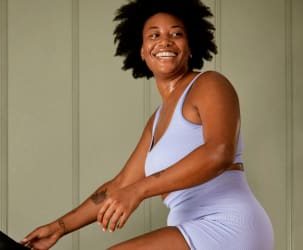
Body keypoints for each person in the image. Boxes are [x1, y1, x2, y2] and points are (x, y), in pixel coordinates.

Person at [21, 0, 274, 249]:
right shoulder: (156, 120)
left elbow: (219, 152)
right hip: (187, 226)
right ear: (141, 50)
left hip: (228, 224)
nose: (165, 41)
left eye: (176, 33)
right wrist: (59, 227)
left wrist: (139, 191)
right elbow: (121, 185)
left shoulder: (210, 84)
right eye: (154, 35)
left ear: (191, 46)